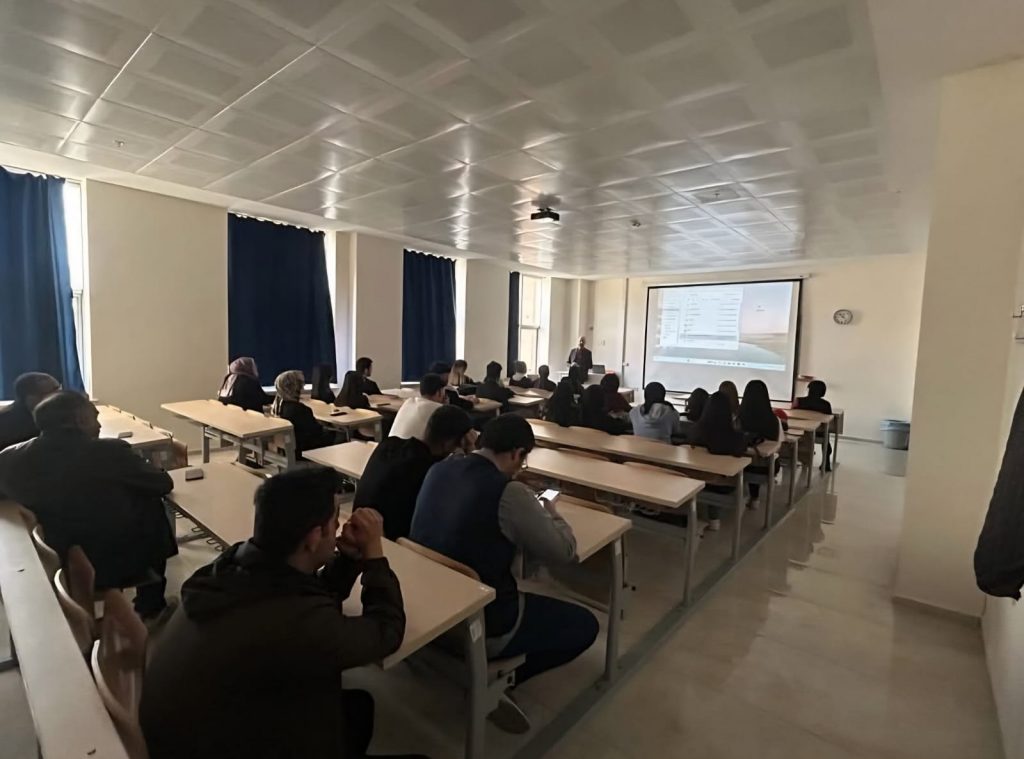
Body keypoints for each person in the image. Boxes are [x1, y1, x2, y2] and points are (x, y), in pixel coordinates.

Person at [140, 469, 412, 759]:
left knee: (357, 707)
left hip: (193, 732)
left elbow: (303, 595)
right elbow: (386, 631)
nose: (338, 527)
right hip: (231, 741)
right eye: (335, 520)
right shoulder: (296, 622)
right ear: (314, 536)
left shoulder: (233, 566)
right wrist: (374, 556)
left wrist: (347, 560)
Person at [410, 415, 598, 729]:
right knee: (584, 625)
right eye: (523, 461)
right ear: (516, 453)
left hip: (433, 611)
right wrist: (551, 512)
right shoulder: (509, 492)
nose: (520, 468)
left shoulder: (439, 468)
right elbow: (564, 552)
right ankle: (500, 680)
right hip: (482, 624)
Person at [0, 392, 175, 617]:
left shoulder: (9, 458)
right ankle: (150, 605)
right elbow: (162, 483)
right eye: (95, 417)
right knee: (150, 505)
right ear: (80, 420)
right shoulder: (110, 452)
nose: (99, 425)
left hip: (54, 555)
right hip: (109, 559)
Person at [355, 406, 474, 540]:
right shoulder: (434, 472)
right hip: (387, 544)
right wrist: (471, 450)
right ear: (450, 443)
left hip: (356, 530)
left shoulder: (389, 443)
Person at [691, 391, 747, 531]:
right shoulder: (736, 437)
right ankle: (715, 517)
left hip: (697, 480)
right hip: (725, 484)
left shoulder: (696, 432)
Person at [739, 379, 785, 509]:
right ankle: (754, 498)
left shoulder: (738, 418)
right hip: (766, 466)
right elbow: (779, 444)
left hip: (740, 465)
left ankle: (750, 496)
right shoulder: (774, 420)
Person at [272, 371, 333, 457]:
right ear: (296, 387)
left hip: (289, 450)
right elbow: (317, 432)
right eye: (301, 384)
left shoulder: (278, 407)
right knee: (340, 435)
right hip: (304, 451)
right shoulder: (301, 410)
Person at [0, 372, 60, 451]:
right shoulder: (6, 423)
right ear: (31, 398)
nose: (60, 396)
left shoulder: (58, 415)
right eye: (54, 392)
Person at [389, 373, 447, 441]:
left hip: (389, 445)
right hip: (410, 447)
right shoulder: (438, 410)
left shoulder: (408, 402)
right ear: (439, 392)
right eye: (444, 391)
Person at [794, 379, 833, 470]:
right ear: (823, 392)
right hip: (818, 433)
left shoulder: (799, 401)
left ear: (809, 389)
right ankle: (826, 462)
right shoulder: (826, 405)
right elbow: (829, 421)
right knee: (826, 435)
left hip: (800, 431)